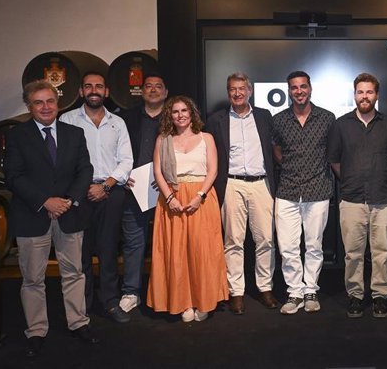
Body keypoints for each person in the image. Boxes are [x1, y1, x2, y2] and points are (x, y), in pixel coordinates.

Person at [4, 80, 98, 358]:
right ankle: (36, 330)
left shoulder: (74, 133)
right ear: (29, 106)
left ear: (58, 103)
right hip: (33, 216)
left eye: (50, 101)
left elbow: (85, 170)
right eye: (38, 102)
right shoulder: (18, 135)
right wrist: (45, 201)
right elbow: (14, 175)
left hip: (70, 214)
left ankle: (78, 323)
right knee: (32, 278)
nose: (46, 107)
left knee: (74, 273)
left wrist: (67, 202)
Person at [60, 72, 133, 323]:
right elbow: (63, 163)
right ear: (81, 91)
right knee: (80, 253)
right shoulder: (67, 120)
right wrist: (83, 188)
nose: (94, 90)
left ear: (107, 91)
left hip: (110, 193)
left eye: (99, 86)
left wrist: (108, 186)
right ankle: (83, 304)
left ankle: (110, 302)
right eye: (89, 86)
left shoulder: (118, 123)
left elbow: (126, 160)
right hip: (78, 195)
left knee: (108, 249)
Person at [147, 96, 228, 321]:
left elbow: (213, 170)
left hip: (201, 198)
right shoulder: (163, 140)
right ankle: (182, 302)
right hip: (172, 200)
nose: (180, 115)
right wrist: (170, 197)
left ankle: (204, 300)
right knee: (177, 252)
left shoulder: (206, 138)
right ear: (169, 116)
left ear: (192, 113)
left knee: (202, 252)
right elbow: (158, 172)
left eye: (184, 110)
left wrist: (199, 196)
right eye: (175, 111)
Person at [328, 73, 387, 318]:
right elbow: (335, 161)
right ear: (355, 94)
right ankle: (355, 296)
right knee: (353, 253)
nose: (365, 96)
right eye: (360, 92)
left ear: (377, 95)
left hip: (383, 198)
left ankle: (380, 296)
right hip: (351, 199)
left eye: (369, 92)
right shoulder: (341, 124)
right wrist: (351, 178)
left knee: (381, 252)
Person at [207, 72, 278, 315]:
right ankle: (236, 291)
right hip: (232, 184)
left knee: (265, 239)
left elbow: (275, 148)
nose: (237, 93)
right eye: (232, 89)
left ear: (249, 91)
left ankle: (265, 287)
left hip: (261, 183)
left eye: (241, 89)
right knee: (233, 241)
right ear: (228, 93)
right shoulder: (216, 120)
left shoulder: (264, 116)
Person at [272, 71, 335, 314]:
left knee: (314, 245)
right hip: (287, 189)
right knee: (287, 247)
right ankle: (294, 292)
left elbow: (333, 151)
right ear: (289, 91)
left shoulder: (327, 118)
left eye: (303, 87)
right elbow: (276, 151)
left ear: (310, 89)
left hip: (318, 189)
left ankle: (310, 290)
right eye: (294, 88)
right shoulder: (279, 120)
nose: (299, 91)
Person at [115, 74, 168, 314]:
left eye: (158, 87)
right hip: (133, 190)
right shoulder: (125, 118)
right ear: (142, 91)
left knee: (167, 244)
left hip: (166, 191)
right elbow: (113, 151)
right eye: (149, 86)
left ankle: (168, 290)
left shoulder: (175, 116)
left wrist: (168, 179)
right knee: (133, 243)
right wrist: (121, 177)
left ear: (165, 92)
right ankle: (131, 291)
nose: (153, 90)